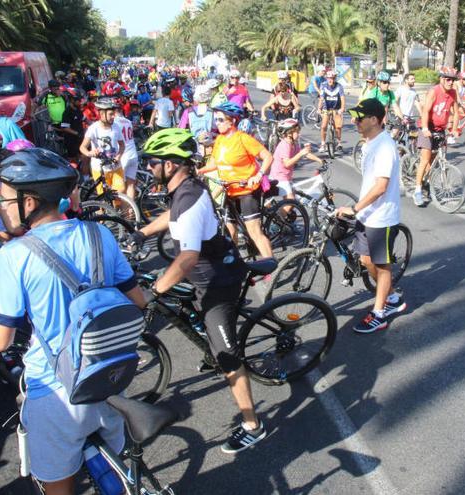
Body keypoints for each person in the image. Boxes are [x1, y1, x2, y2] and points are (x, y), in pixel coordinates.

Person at [0, 148, 145, 494]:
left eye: (5, 196)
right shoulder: (98, 234)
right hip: (108, 376)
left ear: (29, 203)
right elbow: (138, 300)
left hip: (54, 391)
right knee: (117, 476)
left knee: (58, 484)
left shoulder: (14, 255)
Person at [132, 128, 267, 454]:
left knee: (227, 358)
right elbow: (173, 216)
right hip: (204, 276)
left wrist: (156, 290)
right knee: (182, 305)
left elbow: (187, 257)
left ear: (171, 165)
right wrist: (143, 231)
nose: (149, 168)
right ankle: (209, 344)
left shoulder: (189, 197)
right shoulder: (185, 190)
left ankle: (253, 425)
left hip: (218, 282)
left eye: (153, 163)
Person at [337, 99, 406, 333]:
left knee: (382, 265)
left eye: (359, 117)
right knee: (366, 261)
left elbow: (380, 187)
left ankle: (379, 314)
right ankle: (393, 297)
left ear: (374, 120)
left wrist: (355, 208)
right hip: (368, 215)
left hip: (382, 218)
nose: (355, 121)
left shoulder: (385, 147)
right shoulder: (369, 143)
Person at [197, 102, 275, 259]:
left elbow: (268, 157)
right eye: (216, 119)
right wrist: (199, 171)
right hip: (229, 190)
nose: (216, 123)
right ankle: (233, 263)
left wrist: (258, 175)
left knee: (254, 231)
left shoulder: (243, 139)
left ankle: (270, 264)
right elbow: (214, 163)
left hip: (247, 191)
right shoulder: (219, 139)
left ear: (231, 121)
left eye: (220, 120)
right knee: (230, 230)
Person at [413, 67, 461, 207]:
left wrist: (454, 129)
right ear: (441, 79)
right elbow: (426, 111)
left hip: (440, 129)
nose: (451, 82)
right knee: (425, 159)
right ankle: (417, 190)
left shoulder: (453, 93)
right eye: (448, 79)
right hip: (427, 128)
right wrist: (425, 128)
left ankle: (426, 183)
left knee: (434, 161)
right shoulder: (434, 91)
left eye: (453, 80)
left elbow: (456, 112)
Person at [80, 98, 126, 196]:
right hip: (99, 169)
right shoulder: (93, 128)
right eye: (110, 114)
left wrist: (118, 156)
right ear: (101, 114)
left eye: (113, 113)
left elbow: (122, 145)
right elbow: (82, 147)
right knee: (103, 197)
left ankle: (117, 210)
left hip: (116, 167)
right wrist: (89, 153)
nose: (113, 116)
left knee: (120, 191)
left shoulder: (116, 126)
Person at [270, 119, 323, 202]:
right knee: (291, 202)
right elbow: (286, 164)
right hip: (279, 176)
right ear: (289, 133)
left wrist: (320, 160)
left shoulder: (293, 143)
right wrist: (301, 154)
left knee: (293, 202)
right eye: (297, 132)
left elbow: (304, 153)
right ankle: (280, 214)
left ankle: (285, 214)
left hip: (286, 176)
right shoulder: (285, 145)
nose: (299, 134)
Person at [114, 106, 140, 199]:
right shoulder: (128, 121)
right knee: (130, 185)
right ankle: (131, 212)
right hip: (132, 153)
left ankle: (115, 208)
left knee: (120, 186)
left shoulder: (114, 122)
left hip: (123, 155)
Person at [317, 70, 346, 152]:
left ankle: (339, 143)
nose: (331, 80)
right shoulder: (323, 85)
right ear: (326, 78)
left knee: (338, 126)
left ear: (335, 78)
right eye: (329, 78)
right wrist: (319, 108)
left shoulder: (339, 86)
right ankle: (323, 144)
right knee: (323, 126)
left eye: (332, 78)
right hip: (326, 108)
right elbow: (321, 98)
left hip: (336, 108)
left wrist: (342, 108)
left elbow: (342, 98)